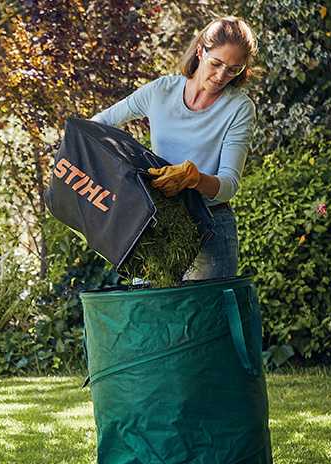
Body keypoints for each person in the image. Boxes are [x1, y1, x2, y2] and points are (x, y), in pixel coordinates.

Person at [90, 16, 258, 280]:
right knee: (150, 314)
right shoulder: (161, 91)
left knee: (204, 319)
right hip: (155, 225)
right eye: (216, 63)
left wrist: (194, 178)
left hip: (210, 227)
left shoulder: (239, 108)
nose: (221, 76)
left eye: (233, 70)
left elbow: (229, 184)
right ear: (201, 50)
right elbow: (100, 124)